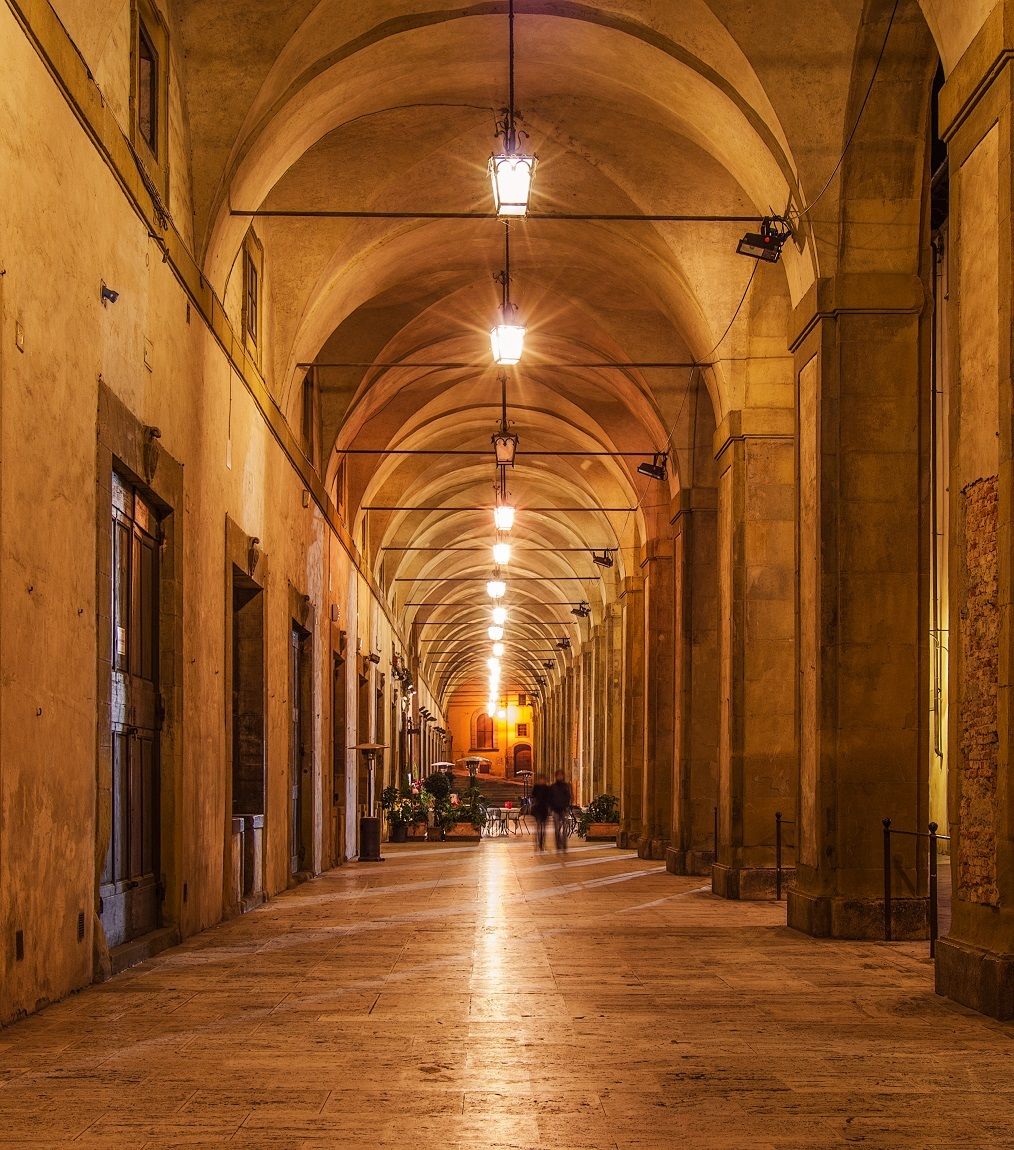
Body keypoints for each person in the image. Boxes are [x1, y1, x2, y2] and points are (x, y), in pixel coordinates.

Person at [548, 770, 573, 851]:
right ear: (556, 776)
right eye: (558, 775)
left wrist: (567, 806)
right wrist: (551, 808)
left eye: (561, 775)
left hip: (564, 809)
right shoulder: (553, 786)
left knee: (565, 828)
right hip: (555, 809)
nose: (560, 777)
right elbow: (550, 798)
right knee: (557, 828)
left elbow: (569, 796)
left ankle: (564, 844)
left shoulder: (566, 786)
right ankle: (558, 843)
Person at [530, 775, 551, 851]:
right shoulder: (536, 787)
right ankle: (537, 842)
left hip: (544, 809)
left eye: (544, 779)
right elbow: (533, 796)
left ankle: (542, 843)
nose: (542, 781)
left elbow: (549, 799)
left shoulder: (547, 788)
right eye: (541, 779)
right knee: (538, 826)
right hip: (538, 809)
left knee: (544, 828)